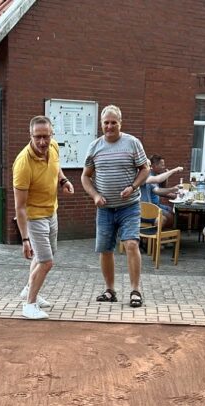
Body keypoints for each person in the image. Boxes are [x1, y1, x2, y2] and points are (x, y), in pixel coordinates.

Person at [81, 105, 149, 307]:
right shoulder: (94, 147)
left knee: (131, 244)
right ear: (101, 124)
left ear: (121, 123)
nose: (110, 126)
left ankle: (135, 290)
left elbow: (145, 169)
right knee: (105, 249)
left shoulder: (132, 143)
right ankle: (110, 290)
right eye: (106, 123)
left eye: (113, 122)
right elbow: (85, 176)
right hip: (104, 209)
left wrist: (133, 186)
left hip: (129, 206)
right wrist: (94, 195)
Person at [13, 115, 74, 319]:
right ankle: (29, 305)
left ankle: (30, 289)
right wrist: (25, 239)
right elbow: (20, 207)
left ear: (52, 135)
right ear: (30, 135)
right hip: (35, 216)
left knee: (45, 256)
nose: (42, 142)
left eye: (46, 136)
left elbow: (56, 167)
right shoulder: (23, 164)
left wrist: (64, 180)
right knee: (47, 261)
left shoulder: (53, 147)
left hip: (51, 211)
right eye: (37, 137)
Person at [141, 155, 183, 229]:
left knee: (171, 212)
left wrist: (173, 189)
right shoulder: (143, 177)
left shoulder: (148, 176)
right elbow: (158, 180)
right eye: (148, 165)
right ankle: (155, 234)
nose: (149, 167)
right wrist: (174, 170)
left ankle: (158, 235)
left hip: (150, 207)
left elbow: (157, 190)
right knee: (169, 217)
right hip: (144, 209)